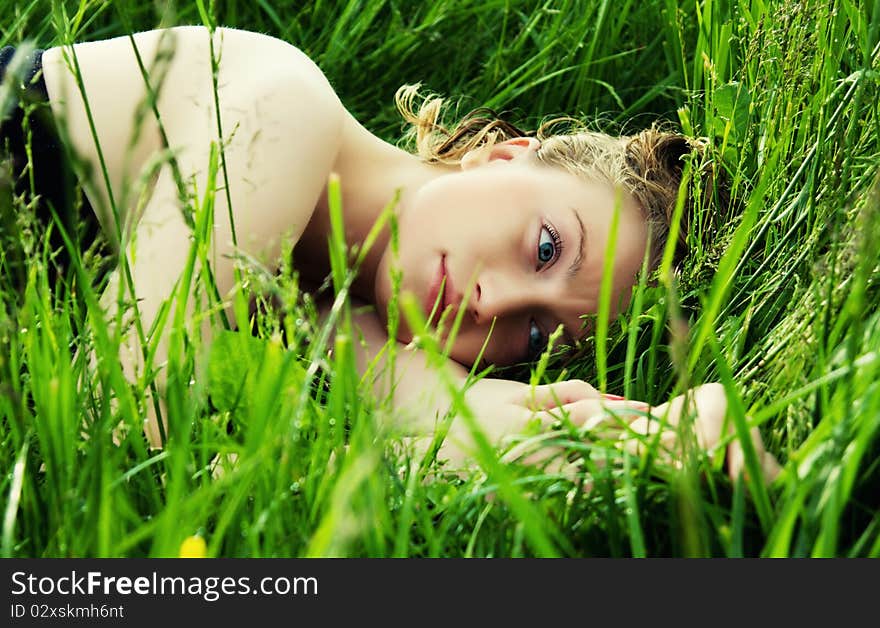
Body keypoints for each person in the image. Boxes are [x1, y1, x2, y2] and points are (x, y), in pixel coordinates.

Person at [1, 26, 780, 482]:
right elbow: (110, 428)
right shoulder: (285, 110)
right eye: (545, 249)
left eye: (538, 336)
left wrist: (653, 442)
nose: (496, 305)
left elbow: (452, 425)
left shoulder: (342, 307)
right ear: (504, 157)